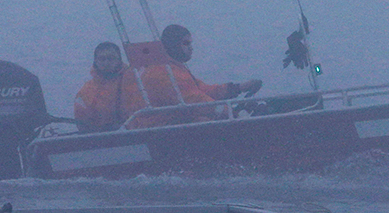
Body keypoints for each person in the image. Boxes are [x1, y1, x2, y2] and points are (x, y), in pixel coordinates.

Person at [133, 24, 263, 128]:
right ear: (173, 44)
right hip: (160, 132)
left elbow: (202, 91)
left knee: (207, 120)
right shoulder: (162, 72)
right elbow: (194, 100)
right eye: (186, 43)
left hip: (174, 127)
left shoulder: (175, 69)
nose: (191, 48)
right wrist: (233, 114)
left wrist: (238, 88)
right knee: (207, 122)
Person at [73, 42, 146, 132]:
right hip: (103, 140)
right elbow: (82, 124)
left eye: (111, 58)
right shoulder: (85, 92)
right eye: (102, 59)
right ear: (95, 61)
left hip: (135, 137)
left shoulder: (136, 82)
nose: (106, 62)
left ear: (119, 60)